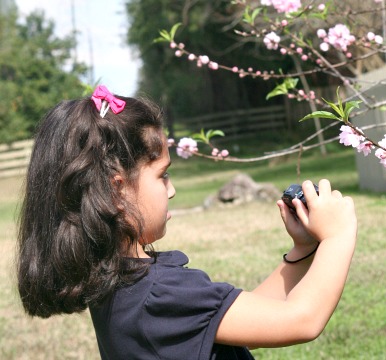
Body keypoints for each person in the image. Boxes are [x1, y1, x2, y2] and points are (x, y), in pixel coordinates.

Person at [17, 85, 358, 360]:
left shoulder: (121, 285)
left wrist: (302, 250)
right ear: (117, 191)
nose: (173, 189)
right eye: (163, 176)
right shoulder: (159, 294)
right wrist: (337, 235)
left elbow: (238, 323)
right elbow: (302, 321)